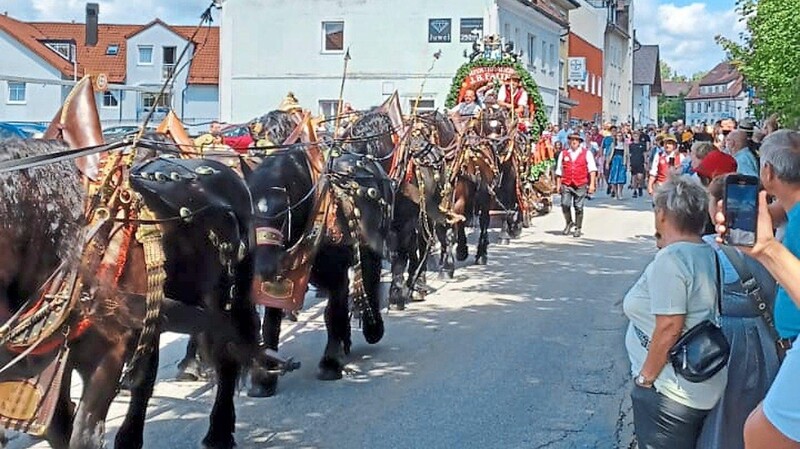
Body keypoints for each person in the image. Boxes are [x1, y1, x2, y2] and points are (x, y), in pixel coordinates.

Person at [623, 175, 727, 449]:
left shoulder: (672, 259)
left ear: (663, 215)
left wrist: (645, 379)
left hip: (670, 389)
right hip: (696, 381)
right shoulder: (705, 251)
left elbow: (669, 327)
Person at [716, 130, 800, 449]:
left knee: (763, 430)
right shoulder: (791, 211)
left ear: (767, 172)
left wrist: (765, 248)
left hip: (794, 340)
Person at [694, 175, 781, 449]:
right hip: (767, 337)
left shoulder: (706, 248)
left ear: (719, 206)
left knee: (724, 417)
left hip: (726, 340)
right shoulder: (776, 244)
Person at [555, 133, 597, 238]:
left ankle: (578, 227)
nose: (574, 142)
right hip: (567, 183)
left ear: (579, 142)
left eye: (576, 140)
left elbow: (592, 170)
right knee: (565, 204)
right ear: (569, 141)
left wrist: (592, 184)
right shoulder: (563, 153)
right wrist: (558, 184)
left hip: (580, 183)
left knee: (578, 207)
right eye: (572, 140)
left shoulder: (586, 153)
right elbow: (559, 170)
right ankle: (569, 222)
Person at [606, 127, 629, 199]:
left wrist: (627, 164)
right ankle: (615, 193)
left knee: (621, 178)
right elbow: (609, 154)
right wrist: (607, 163)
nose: (619, 137)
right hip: (614, 162)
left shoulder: (625, 145)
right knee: (613, 178)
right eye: (618, 136)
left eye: (620, 136)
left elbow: (627, 155)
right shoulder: (613, 144)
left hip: (622, 162)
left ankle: (620, 192)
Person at [629, 130, 647, 198]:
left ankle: (640, 187)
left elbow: (644, 153)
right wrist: (629, 163)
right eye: (635, 136)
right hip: (633, 162)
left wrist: (645, 162)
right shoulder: (631, 145)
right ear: (633, 137)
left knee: (640, 177)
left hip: (640, 162)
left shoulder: (642, 145)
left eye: (637, 136)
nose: (636, 137)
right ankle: (634, 191)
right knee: (634, 177)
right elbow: (629, 154)